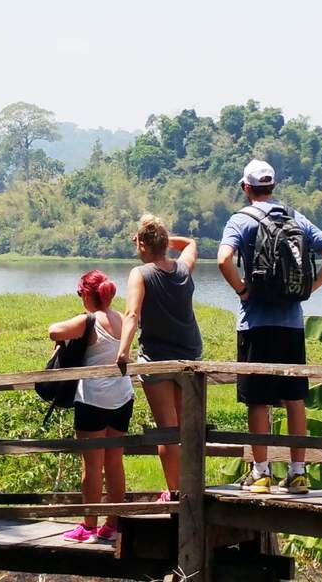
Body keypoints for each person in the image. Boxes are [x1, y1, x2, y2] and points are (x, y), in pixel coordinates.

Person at [217, 160, 322, 495]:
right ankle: (298, 472)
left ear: (246, 188)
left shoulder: (240, 220)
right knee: (294, 399)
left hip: (255, 324)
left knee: (257, 401)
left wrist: (242, 290)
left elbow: (222, 260)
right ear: (272, 186)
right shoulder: (295, 218)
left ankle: (261, 474)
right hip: (291, 325)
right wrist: (308, 289)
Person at [116, 214, 203, 501]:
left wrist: (123, 352)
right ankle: (190, 489)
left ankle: (176, 492)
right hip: (189, 356)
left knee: (168, 428)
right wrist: (161, 237)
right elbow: (191, 242)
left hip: (157, 358)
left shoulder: (140, 274)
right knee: (187, 428)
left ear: (141, 245)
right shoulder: (183, 268)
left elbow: (131, 314)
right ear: (165, 242)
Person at [49, 271, 133, 544]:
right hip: (122, 397)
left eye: (79, 293)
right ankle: (113, 523)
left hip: (93, 398)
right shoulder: (122, 318)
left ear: (87, 293)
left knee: (92, 466)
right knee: (115, 462)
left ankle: (88, 526)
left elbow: (53, 330)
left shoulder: (89, 321)